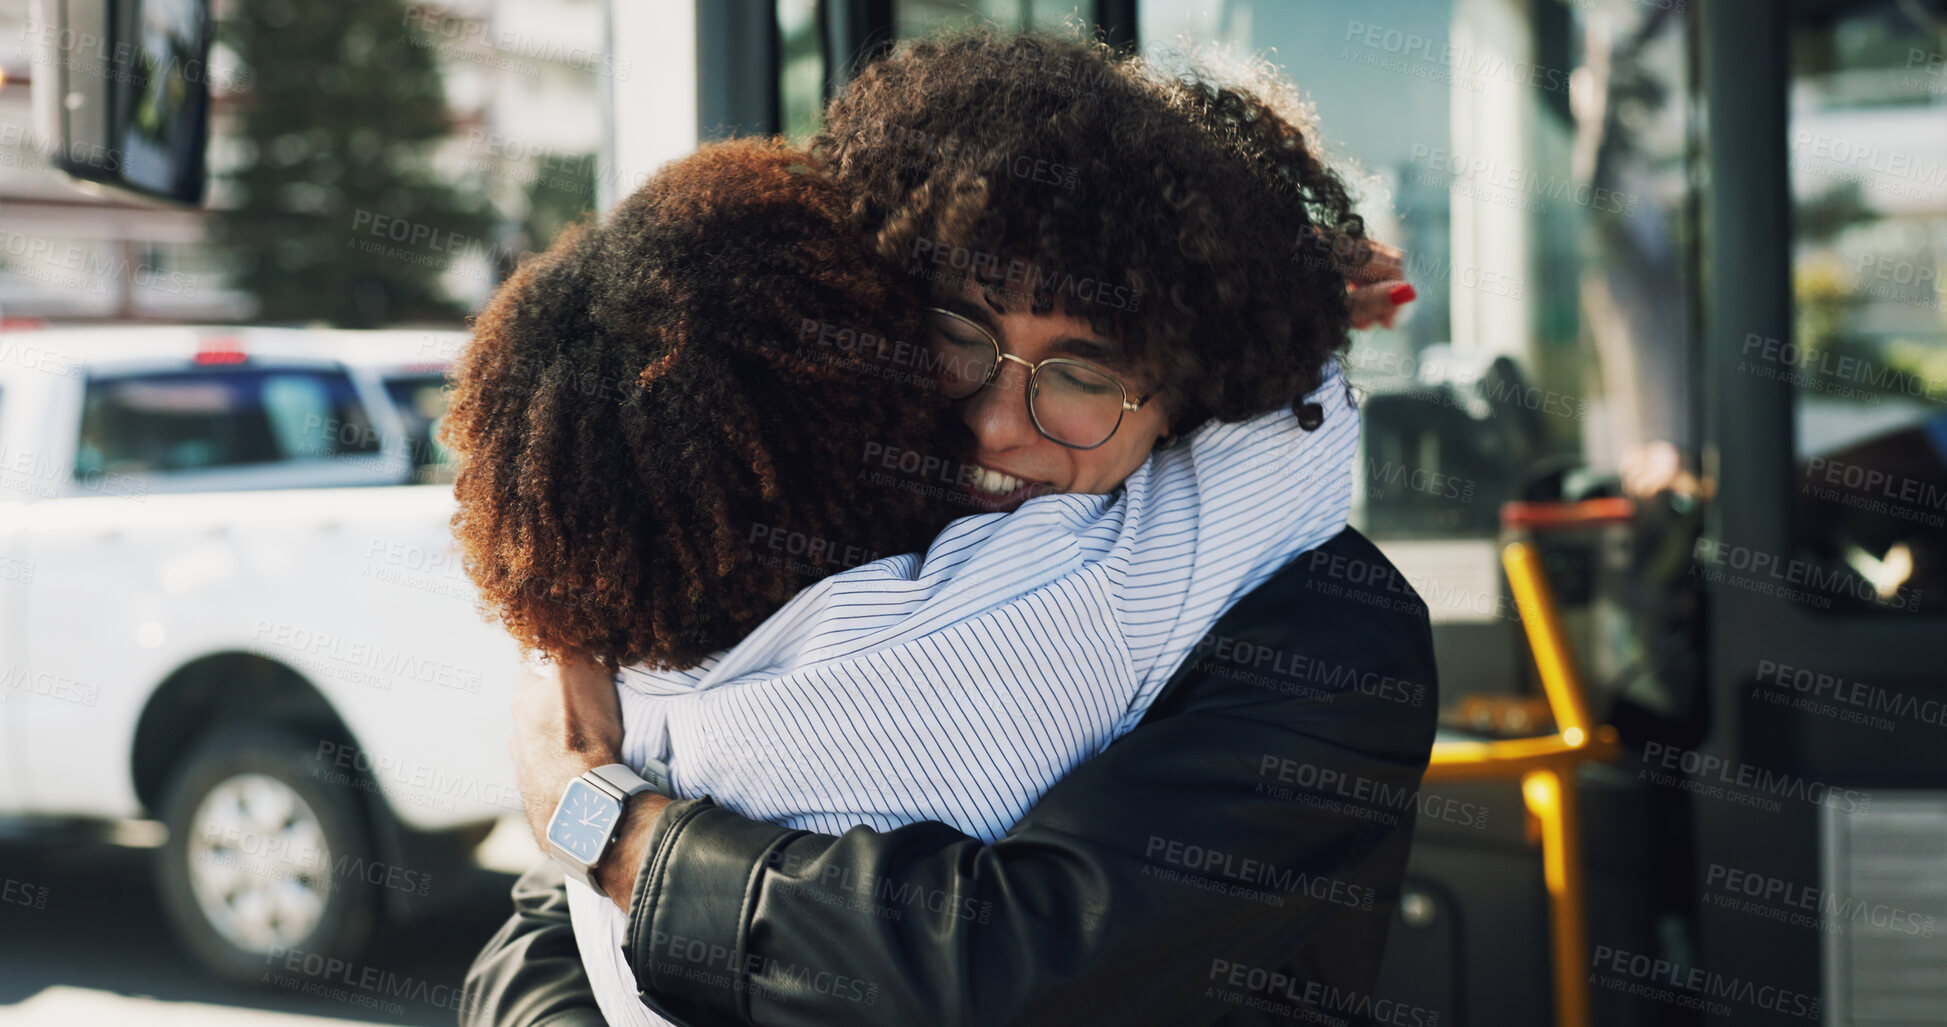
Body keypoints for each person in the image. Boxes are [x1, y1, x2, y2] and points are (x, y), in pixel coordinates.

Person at [463, 31, 1434, 1027]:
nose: (995, 422)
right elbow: (540, 944)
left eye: (1085, 376)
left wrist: (616, 828)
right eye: (956, 334)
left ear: (1193, 396)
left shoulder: (1324, 636)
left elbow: (1023, 970)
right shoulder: (831, 535)